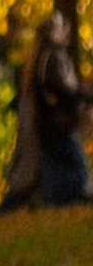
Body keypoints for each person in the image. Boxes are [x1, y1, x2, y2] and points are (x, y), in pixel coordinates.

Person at [32, 12, 88, 207]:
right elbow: (64, 89)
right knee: (77, 169)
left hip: (54, 126)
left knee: (56, 169)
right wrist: (83, 96)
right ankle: (61, 202)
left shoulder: (50, 57)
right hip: (58, 125)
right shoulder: (52, 58)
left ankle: (54, 202)